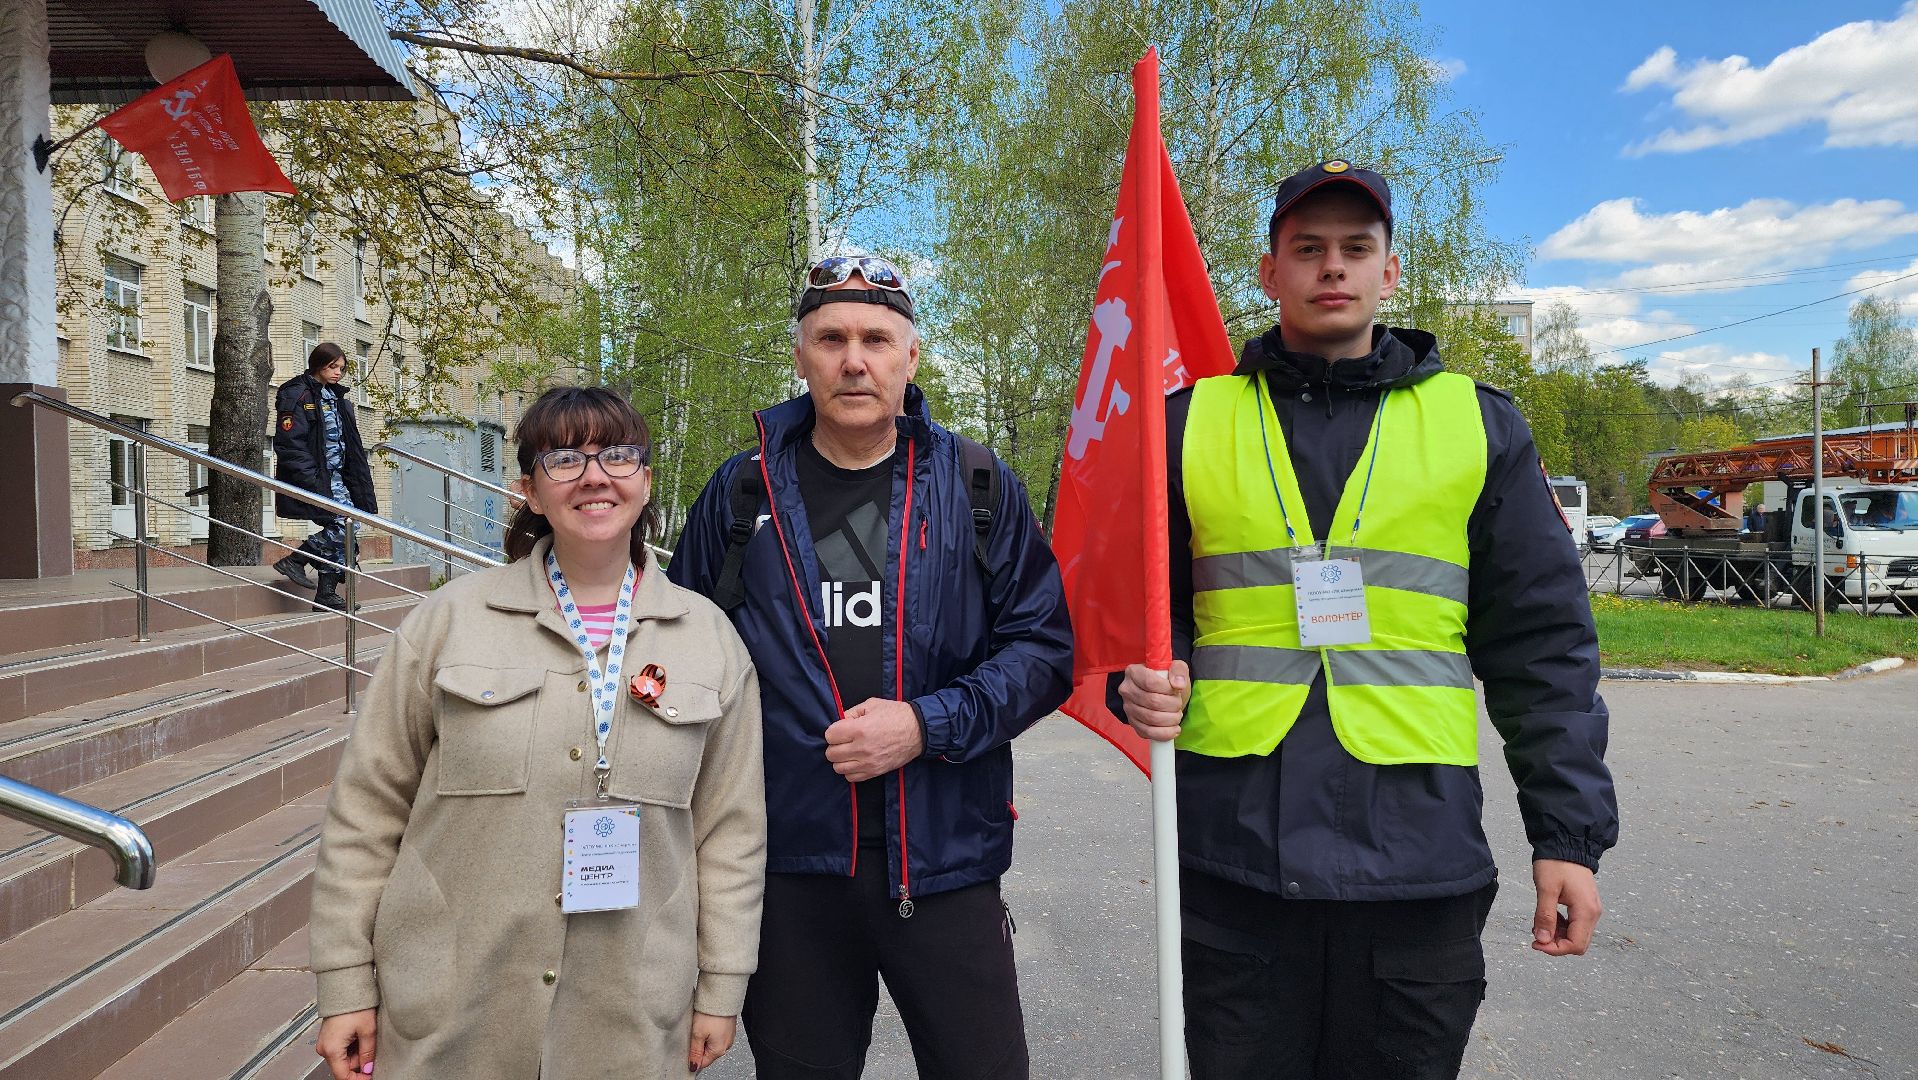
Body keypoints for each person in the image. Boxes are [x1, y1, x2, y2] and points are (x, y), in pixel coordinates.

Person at [1116, 161, 1619, 1079]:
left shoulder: (1478, 425)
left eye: (1357, 248)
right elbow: (1128, 615)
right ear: (1270, 274)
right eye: (1307, 250)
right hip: (1238, 867)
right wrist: (1137, 679)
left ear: (1391, 274)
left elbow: (1543, 650)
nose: (1332, 268)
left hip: (1417, 871)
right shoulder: (1186, 423)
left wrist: (1568, 840)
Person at [669, 255, 1073, 1079]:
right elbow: (679, 654)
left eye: (878, 340)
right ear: (801, 356)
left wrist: (927, 725)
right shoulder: (740, 492)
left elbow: (1045, 651)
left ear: (911, 359)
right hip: (790, 868)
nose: (855, 360)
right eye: (833, 338)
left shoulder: (979, 485)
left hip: (946, 859)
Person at [308, 386, 765, 1080]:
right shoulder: (448, 623)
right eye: (564, 459)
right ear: (528, 487)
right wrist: (346, 982)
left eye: (617, 455)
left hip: (629, 1016)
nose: (594, 476)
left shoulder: (709, 642)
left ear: (645, 480)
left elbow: (731, 833)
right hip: (453, 1010)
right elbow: (366, 813)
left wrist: (722, 987)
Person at [271, 342, 377, 611]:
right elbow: (289, 444)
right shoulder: (296, 394)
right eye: (332, 367)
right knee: (344, 525)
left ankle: (326, 594)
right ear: (318, 364)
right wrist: (311, 481)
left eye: (341, 368)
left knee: (349, 527)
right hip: (316, 478)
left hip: (338, 477)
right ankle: (296, 559)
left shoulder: (335, 396)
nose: (337, 373)